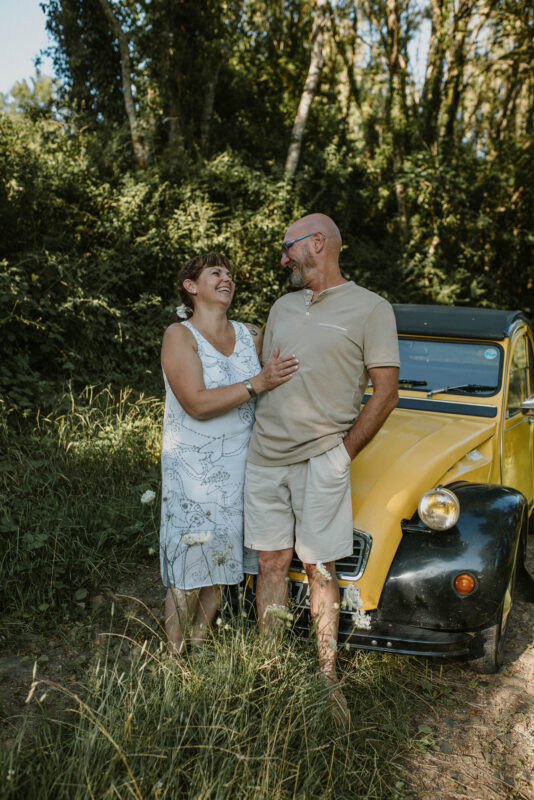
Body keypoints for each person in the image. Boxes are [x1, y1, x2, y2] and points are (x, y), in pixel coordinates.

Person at [244, 214, 400, 707]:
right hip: (265, 456)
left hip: (321, 460)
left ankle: (327, 674)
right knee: (270, 563)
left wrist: (343, 453)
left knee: (320, 567)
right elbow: (264, 372)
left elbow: (386, 392)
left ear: (317, 244)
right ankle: (268, 669)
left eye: (287, 248)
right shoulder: (282, 306)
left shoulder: (371, 309)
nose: (282, 258)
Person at [160, 252, 299, 655]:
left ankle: (199, 648)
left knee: (222, 565)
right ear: (191, 286)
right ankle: (171, 660)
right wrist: (258, 383)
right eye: (215, 273)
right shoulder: (179, 335)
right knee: (189, 569)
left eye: (230, 274)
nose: (227, 279)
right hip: (193, 474)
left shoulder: (251, 335)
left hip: (245, 469)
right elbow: (196, 403)